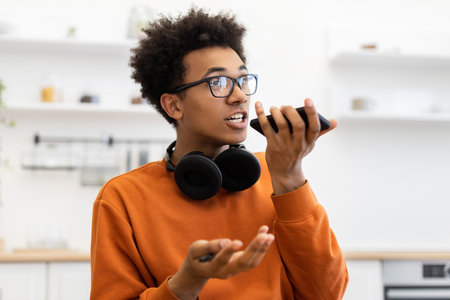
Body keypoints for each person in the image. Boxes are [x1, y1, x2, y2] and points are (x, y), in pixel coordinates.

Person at [90, 7, 348, 300]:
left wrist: (290, 179)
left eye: (242, 80)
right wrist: (186, 282)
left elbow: (327, 293)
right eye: (218, 83)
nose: (239, 96)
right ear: (174, 105)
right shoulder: (122, 198)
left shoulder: (276, 172)